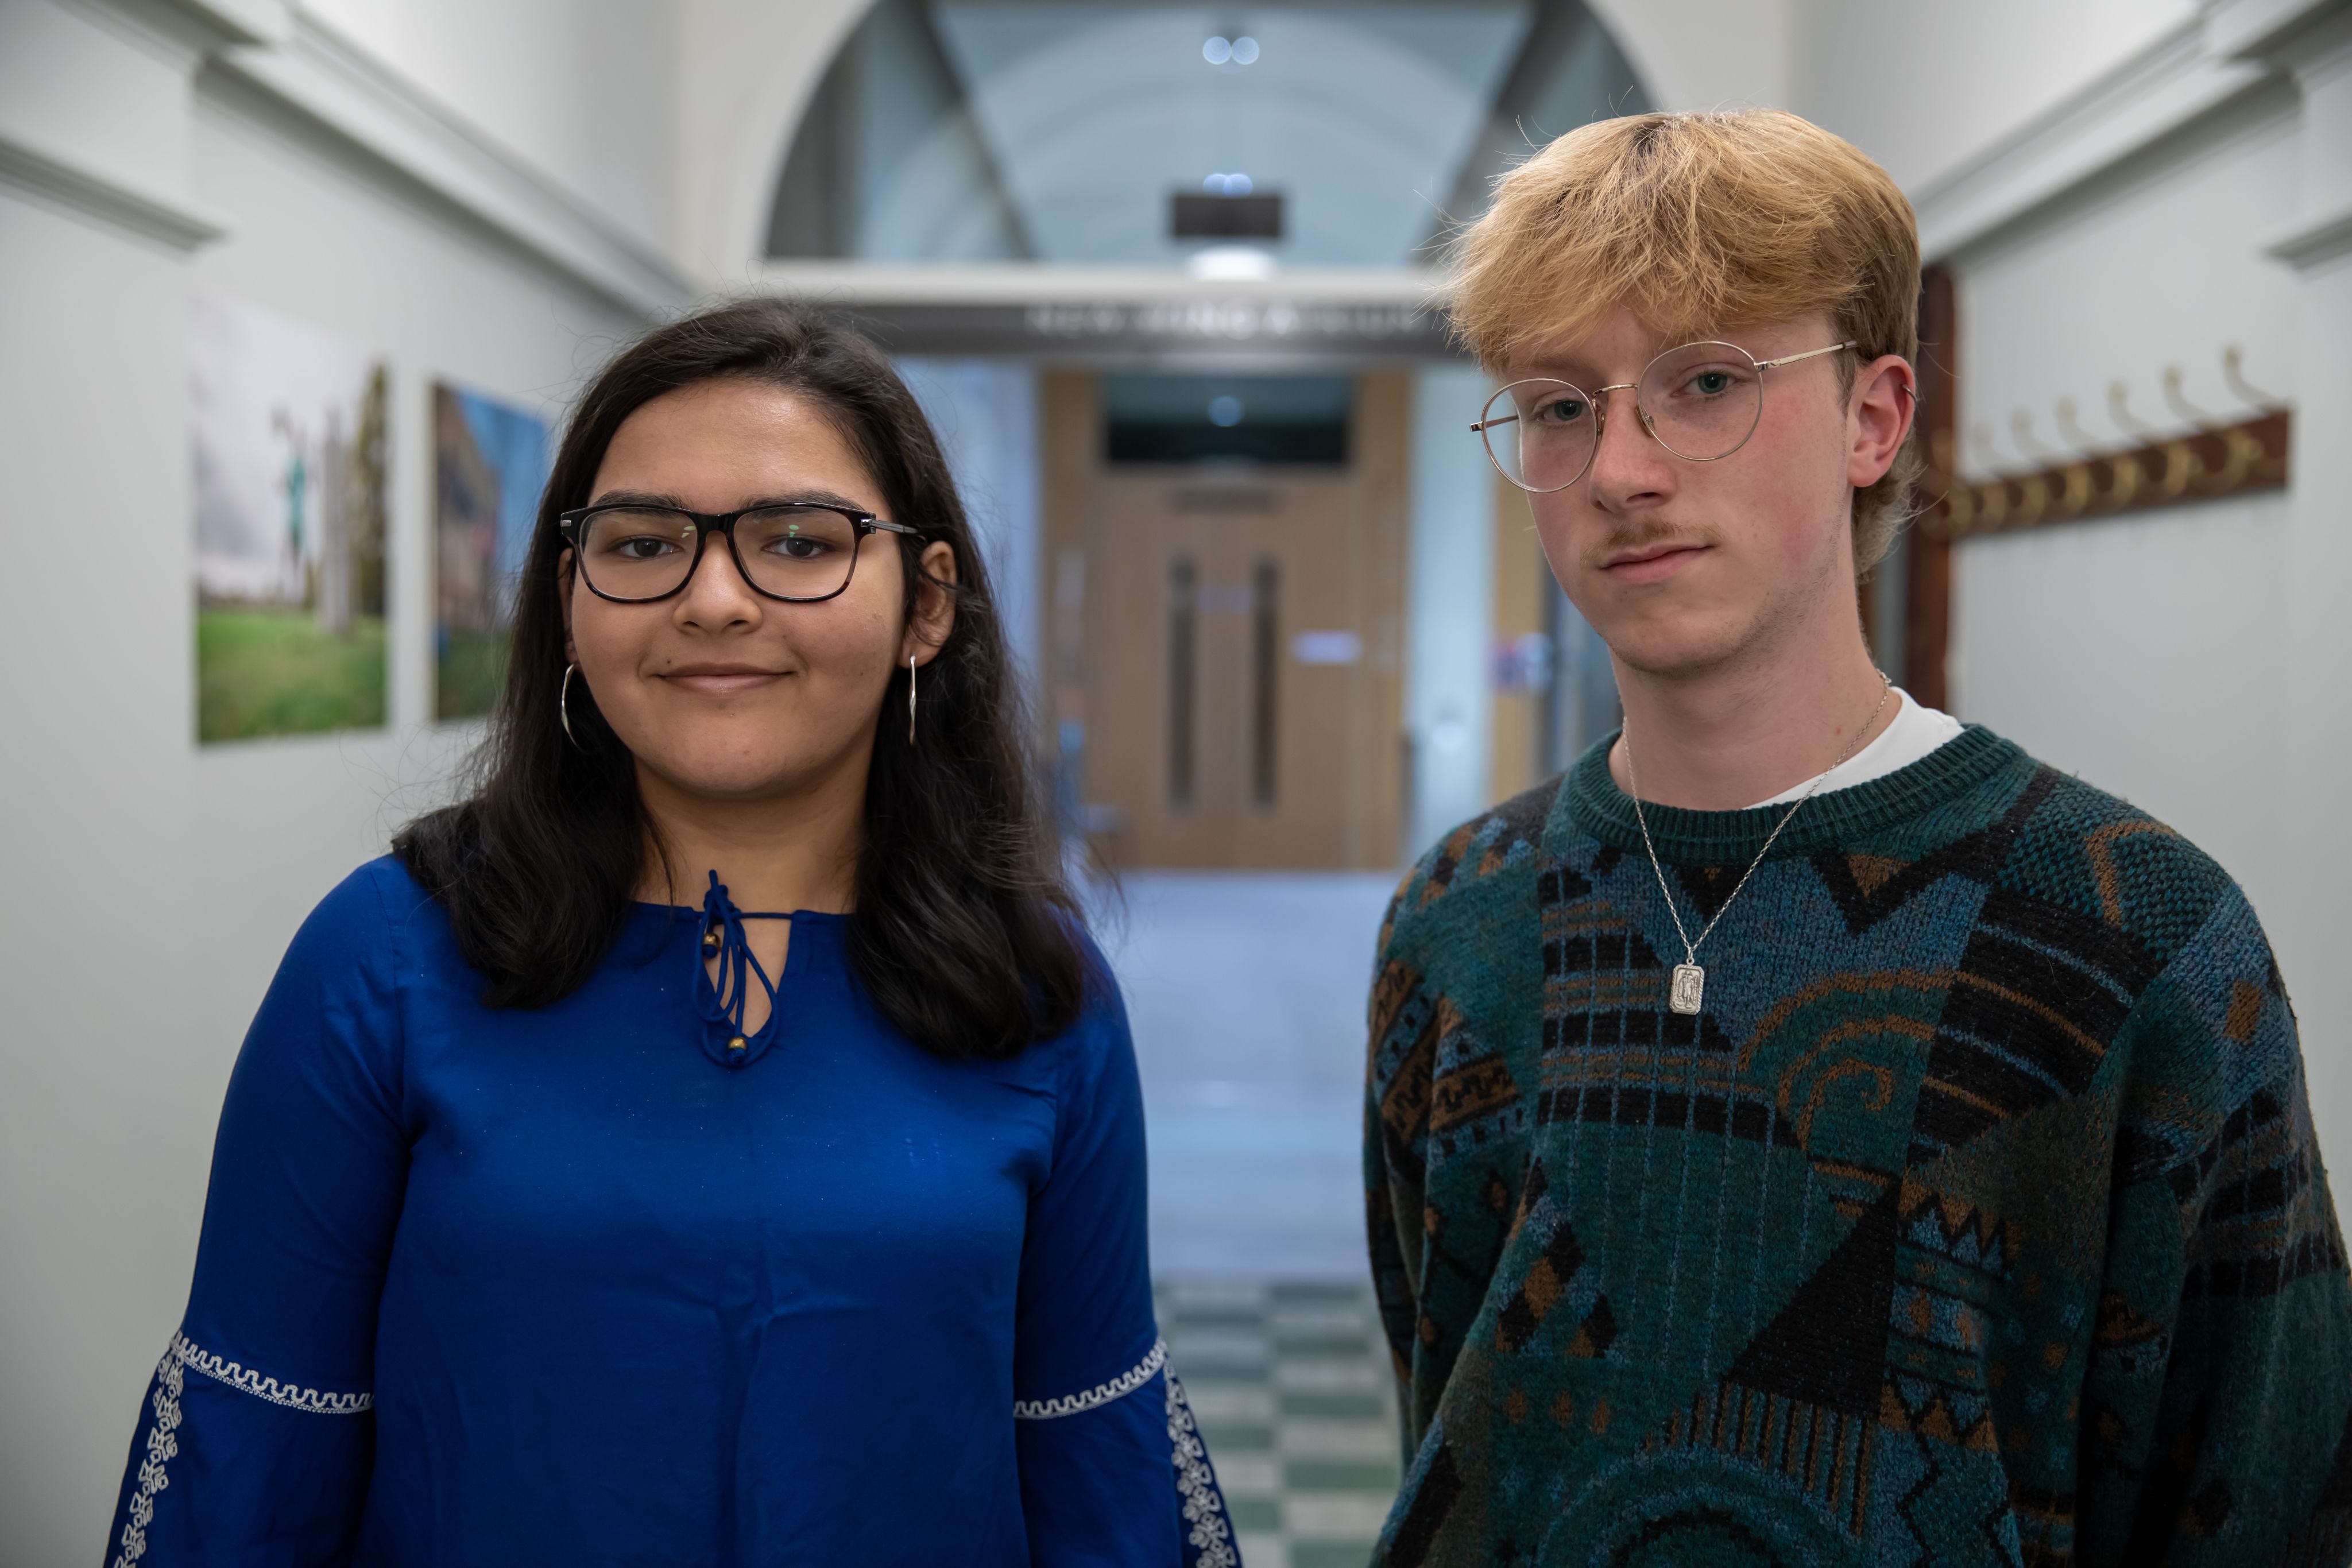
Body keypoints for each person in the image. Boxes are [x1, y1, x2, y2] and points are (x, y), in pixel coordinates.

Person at [1364, 110, 2352, 1565]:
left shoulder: (2134, 935)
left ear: (1873, 419)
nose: (1620, 471)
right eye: (1561, 405)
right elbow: (1446, 1420)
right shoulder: (1457, 913)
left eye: (1703, 383)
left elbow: (2266, 1506)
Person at [107, 301, 1236, 1566]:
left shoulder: (1033, 988)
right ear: (571, 599)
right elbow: (248, 1466)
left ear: (927, 606)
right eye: (642, 543)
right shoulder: (386, 959)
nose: (711, 599)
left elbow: (1097, 1475)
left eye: (799, 541)